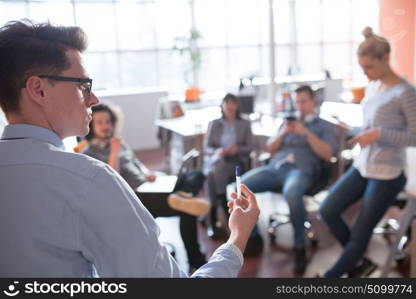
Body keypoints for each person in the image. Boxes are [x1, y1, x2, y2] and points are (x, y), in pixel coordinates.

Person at [0, 19, 260, 277]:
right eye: (83, 85)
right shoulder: (88, 179)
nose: (94, 98)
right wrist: (236, 239)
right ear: (38, 89)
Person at [319, 27, 416, 278]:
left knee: (361, 232)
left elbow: (414, 136)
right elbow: (372, 127)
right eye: (362, 68)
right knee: (328, 208)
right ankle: (359, 262)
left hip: (388, 173)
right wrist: (353, 129)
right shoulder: (373, 88)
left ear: (385, 58)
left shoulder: (405, 93)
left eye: (369, 67)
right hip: (363, 165)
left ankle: (331, 277)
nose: (365, 73)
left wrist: (379, 134)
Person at [81, 103, 209, 272]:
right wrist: (113, 152)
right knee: (187, 209)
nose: (106, 126)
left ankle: (183, 194)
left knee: (196, 174)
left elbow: (135, 162)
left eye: (108, 121)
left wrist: (148, 172)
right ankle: (195, 260)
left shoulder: (118, 142)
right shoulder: (89, 154)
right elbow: (111, 181)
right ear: (91, 126)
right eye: (100, 122)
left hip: (149, 185)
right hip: (134, 198)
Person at [240, 85, 338, 273]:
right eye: (296, 102)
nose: (299, 106)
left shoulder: (322, 125)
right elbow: (270, 149)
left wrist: (306, 133)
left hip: (301, 170)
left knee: (292, 193)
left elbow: (327, 154)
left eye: (303, 102)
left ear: (313, 102)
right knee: (242, 185)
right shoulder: (287, 123)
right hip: (276, 168)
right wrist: (283, 132)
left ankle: (300, 246)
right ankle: (253, 236)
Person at [203, 93, 254, 239]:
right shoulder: (214, 124)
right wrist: (218, 151)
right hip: (218, 160)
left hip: (235, 162)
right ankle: (222, 205)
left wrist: (237, 149)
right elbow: (206, 148)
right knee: (216, 166)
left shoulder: (244, 124)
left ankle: (213, 216)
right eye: (227, 103)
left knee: (213, 173)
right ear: (222, 106)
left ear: (237, 106)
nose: (230, 106)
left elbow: (250, 147)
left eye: (233, 103)